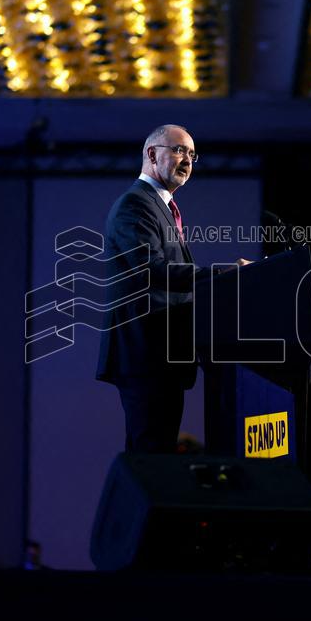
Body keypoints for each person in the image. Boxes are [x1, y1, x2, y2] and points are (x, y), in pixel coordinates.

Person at [96, 124, 249, 453]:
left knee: (158, 456)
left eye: (192, 154)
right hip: (146, 354)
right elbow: (151, 270)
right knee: (151, 458)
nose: (188, 160)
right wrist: (222, 274)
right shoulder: (135, 205)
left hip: (163, 355)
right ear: (152, 154)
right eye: (179, 150)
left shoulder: (159, 205)